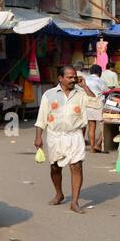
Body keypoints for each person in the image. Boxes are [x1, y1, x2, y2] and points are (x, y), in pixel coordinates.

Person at [33, 65, 95, 215]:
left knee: (77, 167)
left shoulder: (80, 94)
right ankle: (59, 193)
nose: (73, 79)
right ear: (60, 78)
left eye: (74, 77)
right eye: (69, 77)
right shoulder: (49, 94)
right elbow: (42, 118)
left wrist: (85, 86)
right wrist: (38, 137)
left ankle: (74, 202)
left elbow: (96, 103)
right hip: (55, 136)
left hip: (75, 135)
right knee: (55, 167)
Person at [84, 65, 107, 153]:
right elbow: (106, 90)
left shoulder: (85, 79)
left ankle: (92, 148)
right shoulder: (100, 80)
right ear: (100, 72)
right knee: (104, 126)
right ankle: (98, 144)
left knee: (91, 127)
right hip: (98, 104)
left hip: (88, 104)